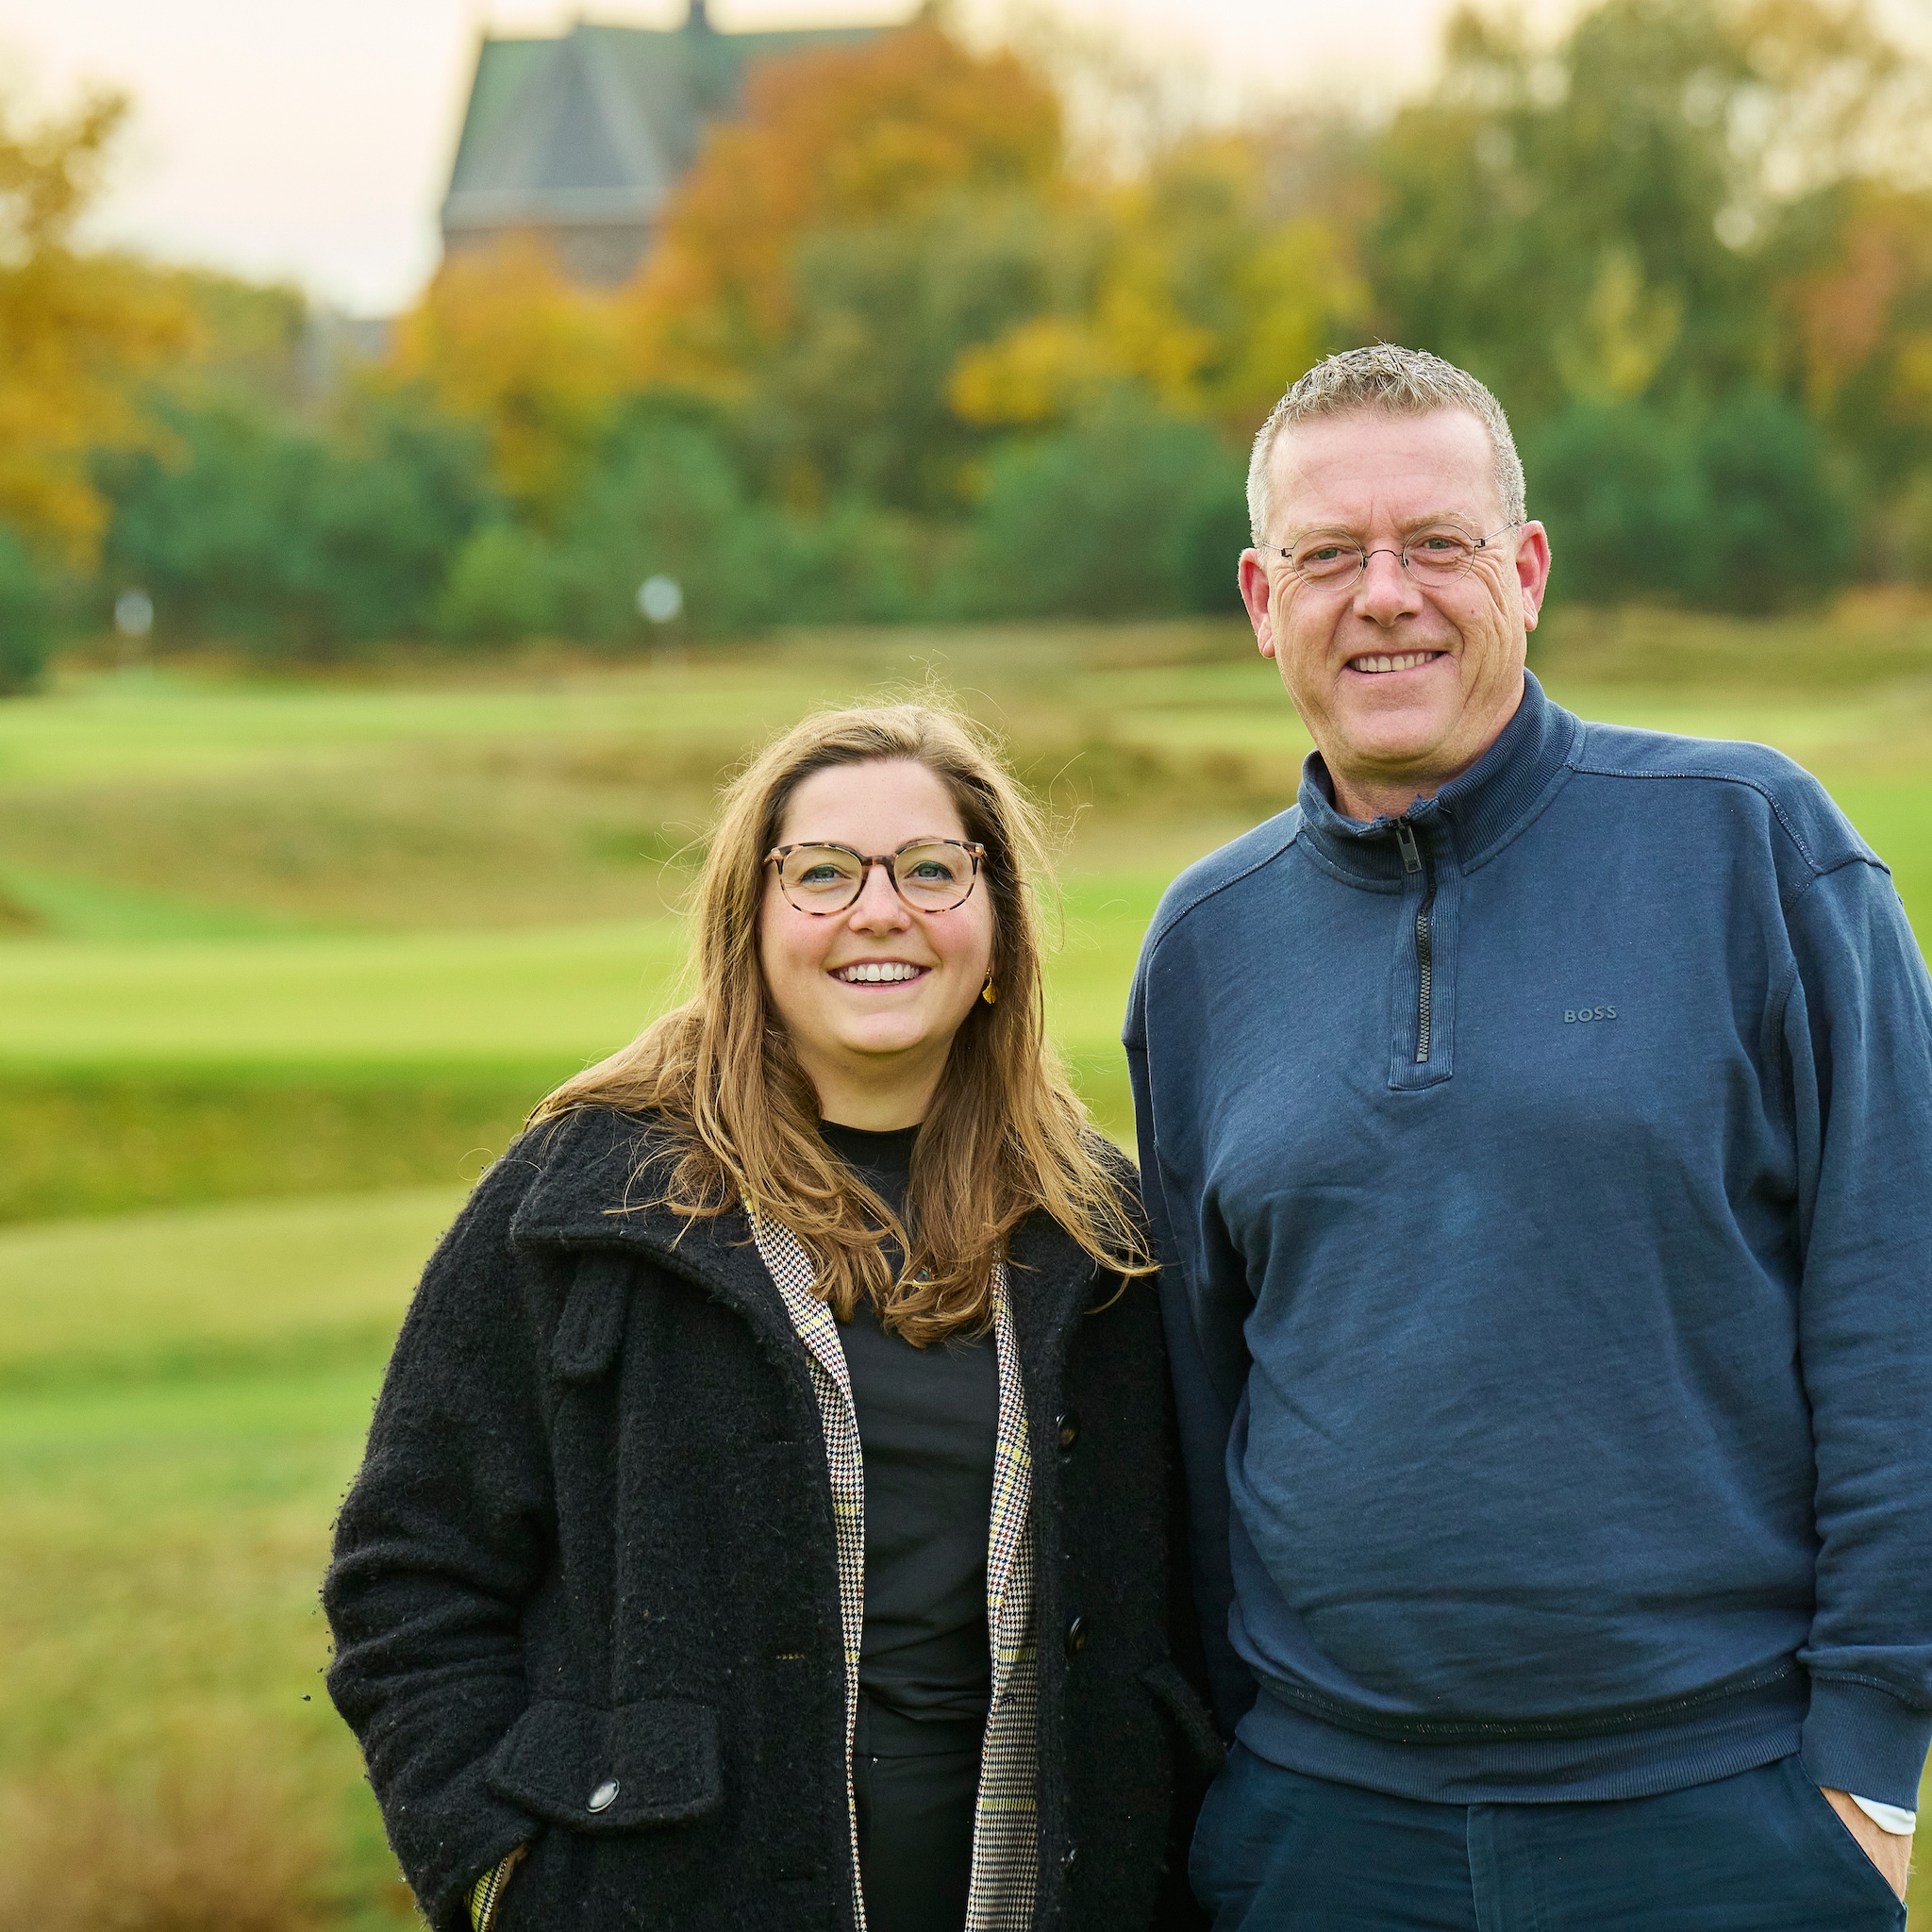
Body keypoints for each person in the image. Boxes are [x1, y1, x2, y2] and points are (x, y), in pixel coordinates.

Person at [1126, 344, 1932, 1928]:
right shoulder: (1206, 942)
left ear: (1528, 569)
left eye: (1438, 544)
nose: (1387, 596)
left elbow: (1898, 1304)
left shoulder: (1752, 847)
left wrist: (1874, 1767)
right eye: (1330, 556)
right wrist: (1233, 1764)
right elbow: (1197, 1393)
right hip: (1322, 1833)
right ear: (1258, 597)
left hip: (1719, 1815)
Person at [325, 702, 1218, 1932]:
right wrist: (494, 1871)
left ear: (996, 921)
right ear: (749, 924)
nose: (880, 909)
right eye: (822, 874)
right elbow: (409, 1574)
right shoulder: (589, 1201)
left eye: (931, 869)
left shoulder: (1100, 1231)